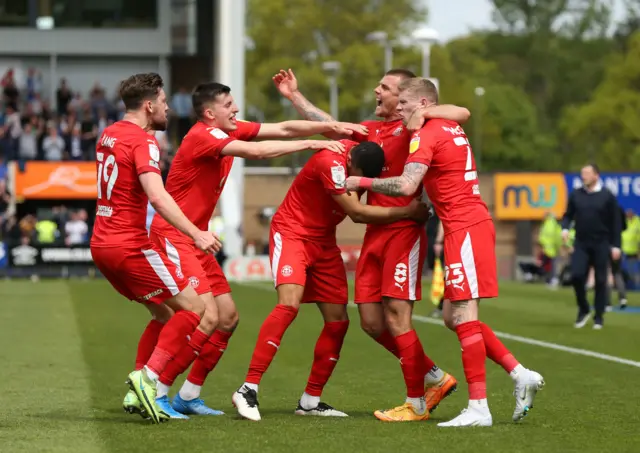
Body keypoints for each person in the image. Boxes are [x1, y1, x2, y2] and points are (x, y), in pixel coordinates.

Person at [128, 81, 362, 419]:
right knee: (203, 316)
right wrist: (314, 142)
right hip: (175, 236)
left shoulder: (226, 131)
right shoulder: (203, 137)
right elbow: (257, 151)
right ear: (210, 113)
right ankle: (158, 391)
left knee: (228, 318)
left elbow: (282, 128)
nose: (236, 109)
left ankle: (188, 395)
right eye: (229, 104)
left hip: (196, 239)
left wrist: (331, 127)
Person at [345, 77, 545, 427]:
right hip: (464, 226)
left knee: (464, 313)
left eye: (405, 106)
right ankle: (519, 373)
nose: (401, 113)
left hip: (465, 227)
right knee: (454, 317)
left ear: (421, 105)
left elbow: (406, 184)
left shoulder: (427, 133)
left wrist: (360, 182)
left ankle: (479, 408)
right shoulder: (447, 124)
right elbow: (458, 112)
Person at [273, 68, 468, 422]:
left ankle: (416, 403)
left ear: (403, 98)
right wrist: (293, 96)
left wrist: (424, 111)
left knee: (396, 317)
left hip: (403, 232)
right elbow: (328, 124)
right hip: (373, 231)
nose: (376, 90)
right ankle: (435, 377)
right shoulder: (371, 130)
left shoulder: (418, 127)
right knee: (371, 322)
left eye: (386, 87)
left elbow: (461, 113)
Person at [233, 140, 430, 421]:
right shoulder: (331, 162)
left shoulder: (360, 162)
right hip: (293, 234)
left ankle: (310, 401)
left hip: (324, 242)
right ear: (350, 159)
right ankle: (247, 389)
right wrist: (407, 212)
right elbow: (357, 212)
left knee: (338, 321)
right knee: (288, 305)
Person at [90, 73, 221, 424]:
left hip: (101, 245)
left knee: (164, 315)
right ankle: (148, 380)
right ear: (149, 106)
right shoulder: (144, 142)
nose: (167, 109)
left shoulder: (109, 133)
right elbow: (158, 196)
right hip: (129, 244)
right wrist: (197, 233)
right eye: (163, 104)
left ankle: (138, 392)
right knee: (194, 309)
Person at [561, 164, 622, 329]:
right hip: (581, 242)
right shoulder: (576, 195)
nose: (583, 176)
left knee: (601, 280)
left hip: (601, 242)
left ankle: (599, 316)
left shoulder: (607, 196)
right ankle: (584, 308)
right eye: (582, 174)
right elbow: (568, 215)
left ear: (596, 176)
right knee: (576, 276)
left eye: (587, 173)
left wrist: (616, 245)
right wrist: (565, 228)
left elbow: (615, 222)